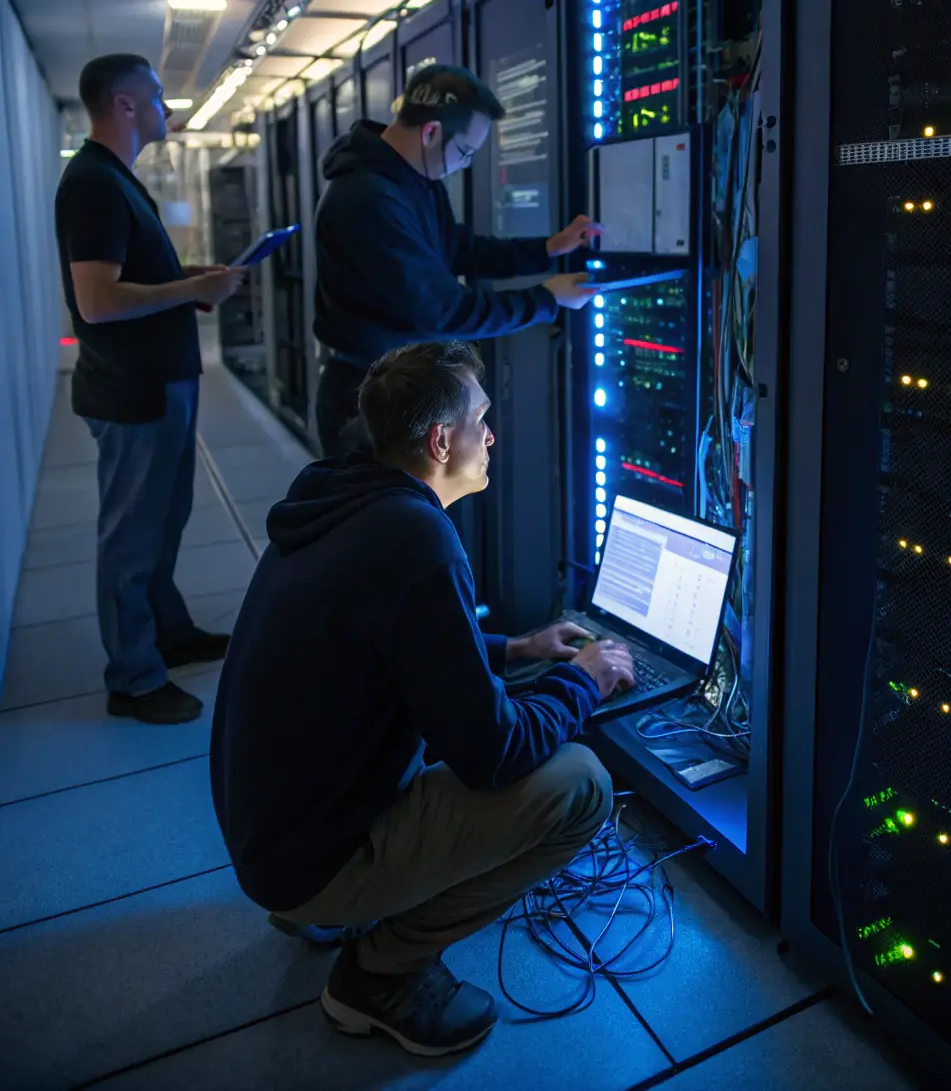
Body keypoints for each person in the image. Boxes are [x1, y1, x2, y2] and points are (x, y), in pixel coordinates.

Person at [209, 341, 635, 1057]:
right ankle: (381, 974)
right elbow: (492, 754)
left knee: (515, 705)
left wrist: (516, 648)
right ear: (442, 440)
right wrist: (583, 679)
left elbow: (388, 640)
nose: (493, 436)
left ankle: (328, 913)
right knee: (583, 785)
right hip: (308, 857)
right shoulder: (418, 536)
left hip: (272, 830)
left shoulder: (340, 490)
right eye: (482, 420)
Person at [55, 54, 245, 725]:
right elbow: (98, 301)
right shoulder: (94, 184)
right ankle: (133, 678)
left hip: (159, 384)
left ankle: (169, 631)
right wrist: (192, 289)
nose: (168, 104)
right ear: (125, 105)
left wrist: (184, 278)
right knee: (131, 537)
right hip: (133, 393)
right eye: (157, 95)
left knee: (163, 522)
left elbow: (126, 277)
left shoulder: (115, 180)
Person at [313, 62, 601, 455]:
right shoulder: (368, 199)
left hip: (399, 389)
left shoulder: (414, 181)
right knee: (390, 516)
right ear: (431, 132)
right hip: (367, 401)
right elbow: (444, 311)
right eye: (465, 151)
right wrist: (546, 300)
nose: (465, 164)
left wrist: (549, 248)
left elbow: (461, 249)